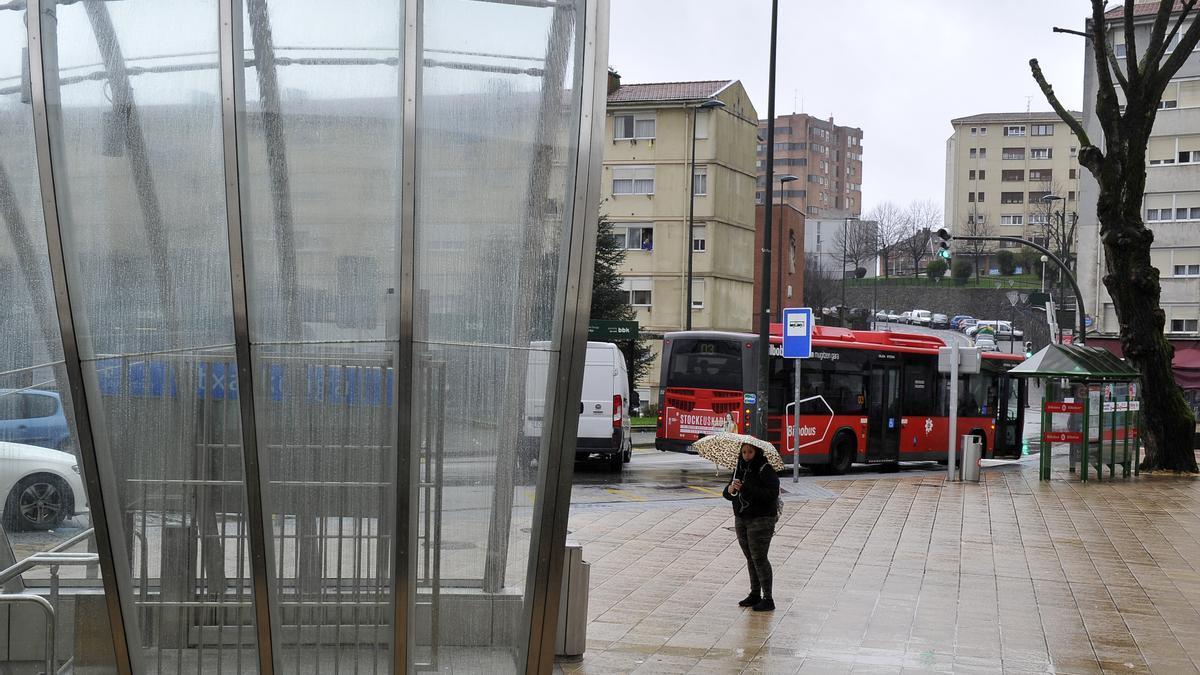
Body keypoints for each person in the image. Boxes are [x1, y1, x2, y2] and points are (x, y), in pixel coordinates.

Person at [722, 442, 780, 612]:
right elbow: (728, 494)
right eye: (744, 452)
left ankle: (768, 599)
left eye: (750, 452)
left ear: (757, 452)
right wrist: (730, 489)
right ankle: (755, 594)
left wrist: (747, 488)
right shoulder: (738, 468)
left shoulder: (764, 469)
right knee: (750, 557)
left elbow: (771, 493)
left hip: (761, 519)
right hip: (741, 518)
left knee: (759, 558)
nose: (747, 455)